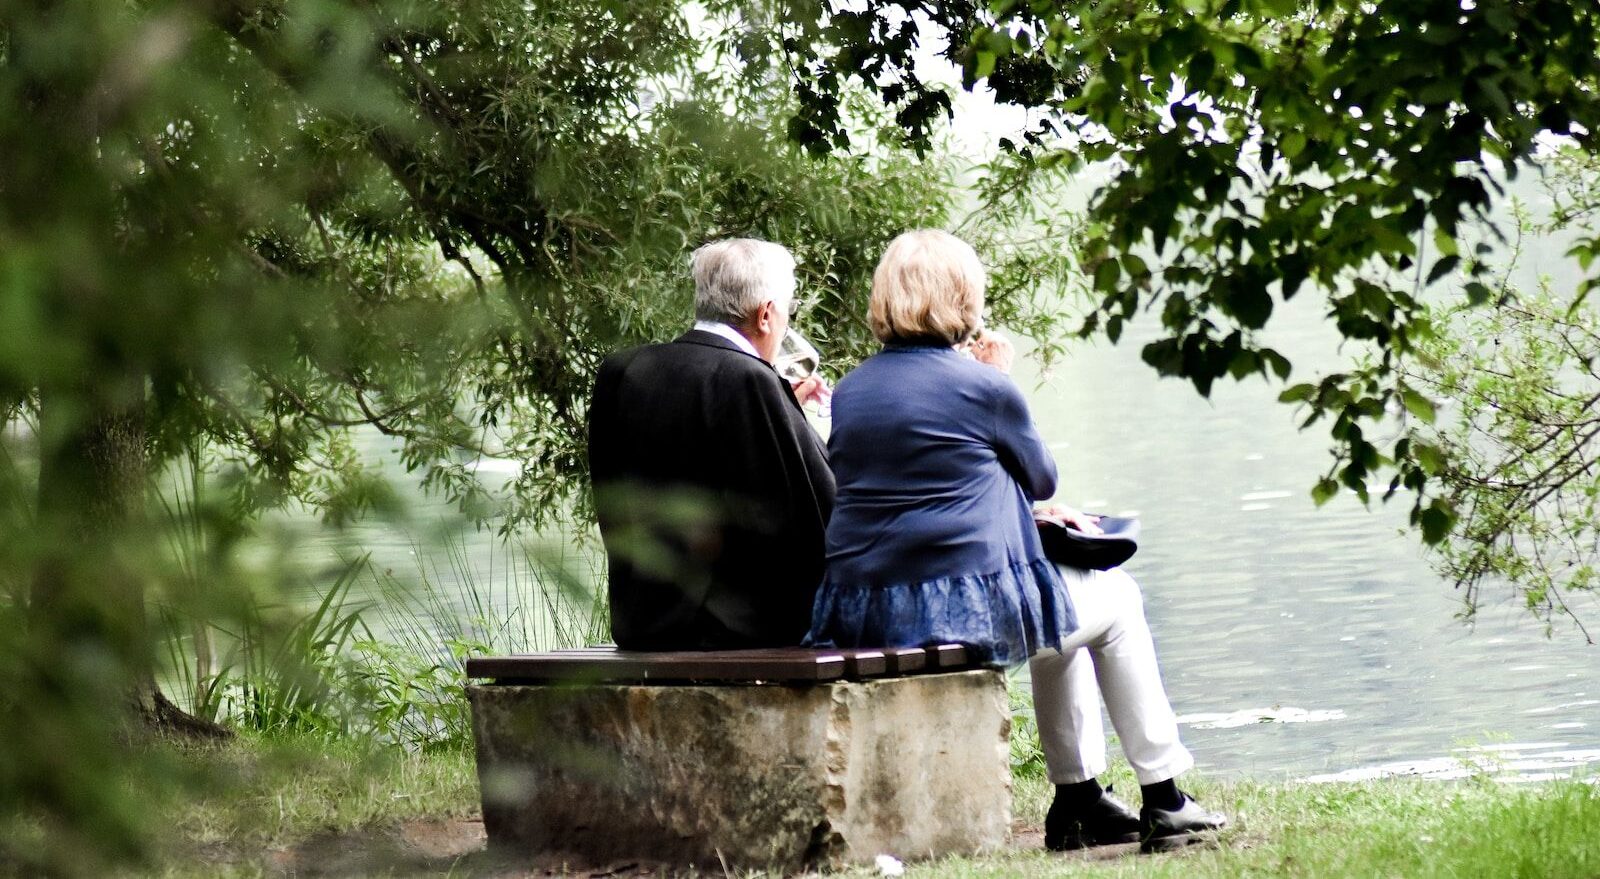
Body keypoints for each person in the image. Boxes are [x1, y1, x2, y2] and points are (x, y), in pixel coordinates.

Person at [805, 229, 1226, 853]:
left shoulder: (855, 390)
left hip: (865, 607)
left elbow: (927, 475)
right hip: (954, 612)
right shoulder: (984, 386)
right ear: (961, 297)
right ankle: (1164, 796)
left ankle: (1079, 799)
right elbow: (1042, 476)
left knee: (1066, 618)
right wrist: (998, 378)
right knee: (1118, 600)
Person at [587, 238, 833, 650]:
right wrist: (808, 425)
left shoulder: (623, 371)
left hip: (641, 623)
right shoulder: (751, 381)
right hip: (737, 631)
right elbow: (814, 512)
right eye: (788, 311)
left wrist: (786, 407)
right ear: (767, 315)